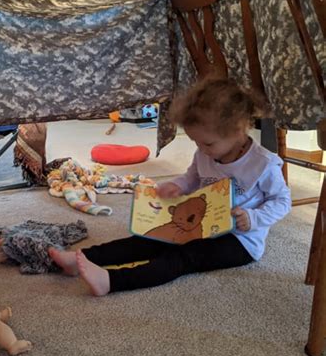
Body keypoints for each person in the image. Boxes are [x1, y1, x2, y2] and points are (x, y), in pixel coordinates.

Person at [49, 77, 292, 296]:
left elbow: (282, 202)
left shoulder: (264, 164)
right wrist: (175, 186)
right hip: (198, 224)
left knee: (182, 257)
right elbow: (191, 179)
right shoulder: (204, 153)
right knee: (148, 239)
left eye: (207, 143)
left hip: (239, 241)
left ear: (239, 131)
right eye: (196, 141)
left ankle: (112, 281)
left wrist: (254, 217)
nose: (201, 150)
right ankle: (80, 259)